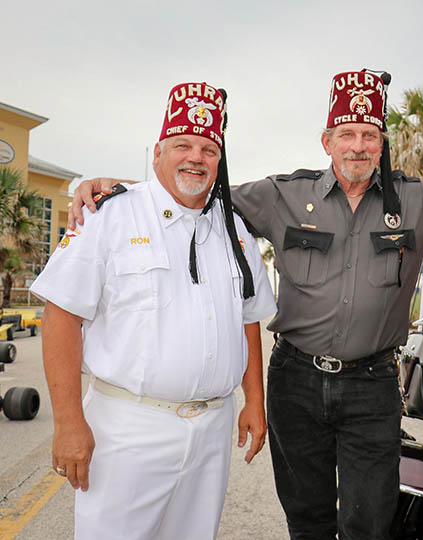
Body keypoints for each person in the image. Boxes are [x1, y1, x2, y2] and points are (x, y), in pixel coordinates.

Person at [68, 72, 423, 540]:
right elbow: (195, 189)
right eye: (347, 133)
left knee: (370, 521)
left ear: (381, 140)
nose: (358, 145)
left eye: (369, 133)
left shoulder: (418, 202)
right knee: (307, 518)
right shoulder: (282, 195)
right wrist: (111, 185)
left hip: (370, 387)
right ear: (327, 141)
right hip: (294, 380)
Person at [31, 82, 277, 540]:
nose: (195, 157)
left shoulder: (235, 231)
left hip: (211, 429)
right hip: (128, 429)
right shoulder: (109, 215)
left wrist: (255, 403)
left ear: (219, 162)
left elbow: (248, 318)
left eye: (208, 148)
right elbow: (61, 316)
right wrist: (67, 423)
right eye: (182, 144)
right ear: (158, 152)